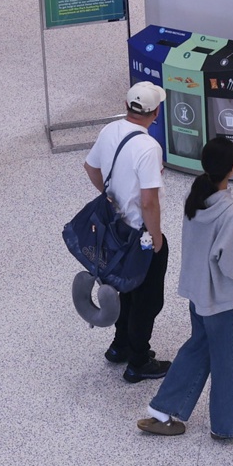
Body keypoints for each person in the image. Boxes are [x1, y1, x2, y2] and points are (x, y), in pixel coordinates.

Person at [137, 136, 233, 441]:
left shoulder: (195, 197)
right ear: (232, 168)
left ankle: (162, 411)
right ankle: (226, 424)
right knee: (229, 359)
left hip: (198, 293)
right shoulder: (231, 214)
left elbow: (210, 245)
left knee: (199, 348)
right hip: (221, 301)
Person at [85, 82, 170, 382]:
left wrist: (110, 197)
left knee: (125, 286)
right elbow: (149, 201)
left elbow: (91, 167)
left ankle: (119, 346)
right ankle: (138, 361)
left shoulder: (110, 130)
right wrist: (157, 238)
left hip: (114, 227)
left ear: (126, 105)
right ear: (156, 112)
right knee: (147, 299)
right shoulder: (149, 147)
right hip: (138, 233)